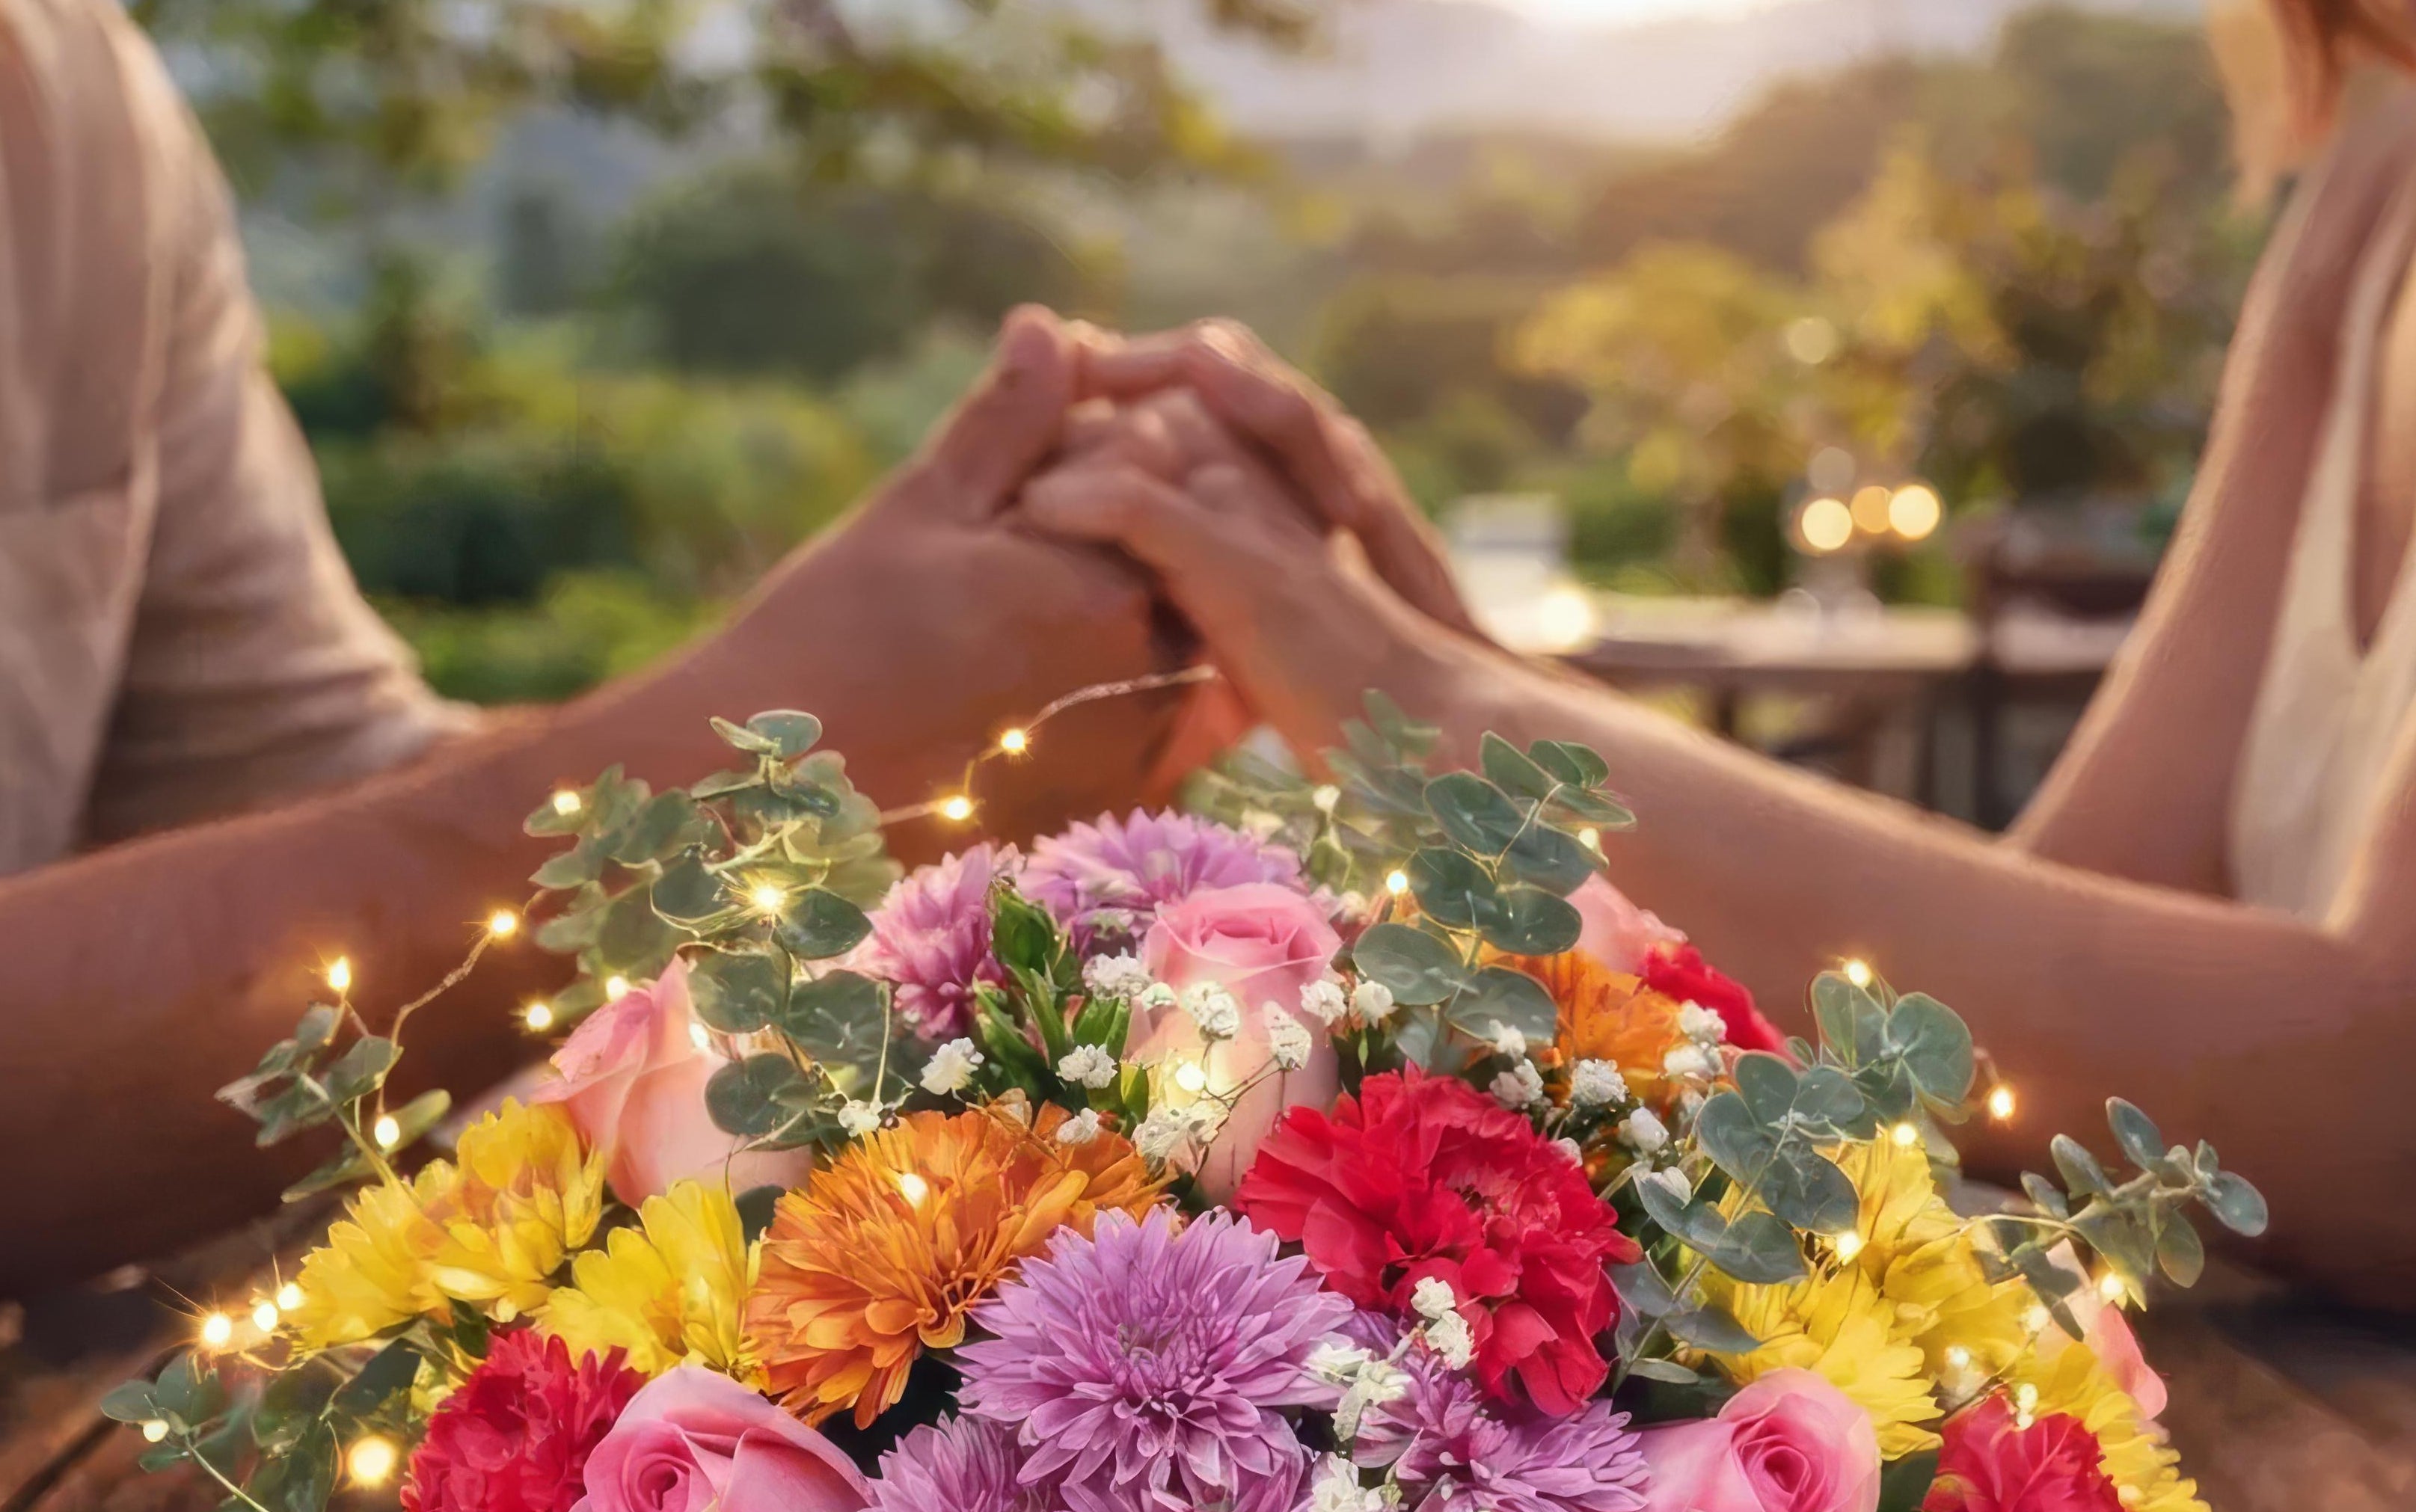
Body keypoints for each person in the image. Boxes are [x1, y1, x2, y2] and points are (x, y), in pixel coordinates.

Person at [1022, 19, 2416, 1311]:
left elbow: (2381, 1102)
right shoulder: (2368, 162)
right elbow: (2059, 973)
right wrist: (1460, 664)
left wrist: (1434, 710)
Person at [0, 0, 1183, 1339]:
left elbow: (312, 803)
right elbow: (413, 883)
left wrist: (952, 724)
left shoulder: (60, 101)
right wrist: (743, 760)